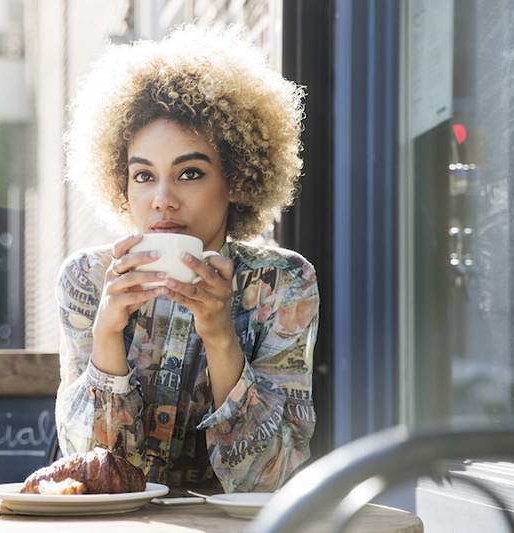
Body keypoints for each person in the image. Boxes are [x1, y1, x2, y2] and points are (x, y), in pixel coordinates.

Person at [55, 26, 319, 493]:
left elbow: (273, 478)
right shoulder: (88, 279)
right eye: (143, 175)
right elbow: (90, 473)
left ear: (236, 179)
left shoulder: (283, 283)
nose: (162, 200)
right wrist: (107, 333)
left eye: (190, 173)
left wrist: (220, 336)